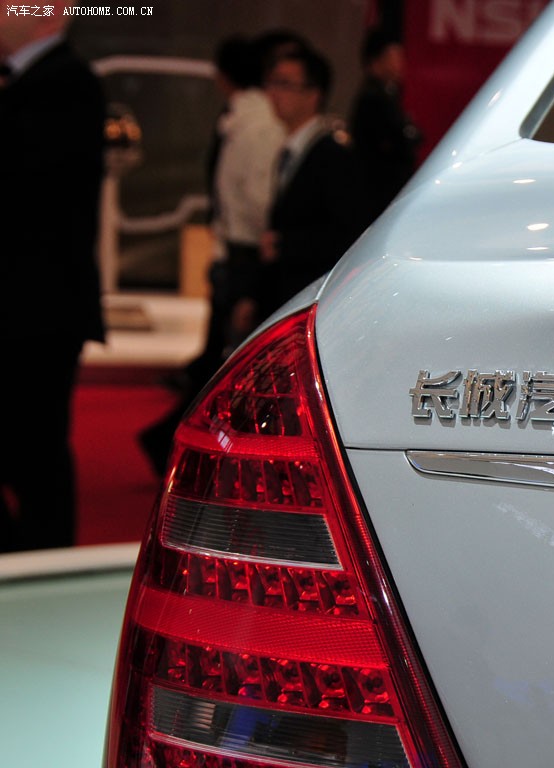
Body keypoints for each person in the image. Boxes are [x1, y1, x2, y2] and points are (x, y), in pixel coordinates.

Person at [140, 35, 287, 476]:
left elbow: (244, 196)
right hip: (243, 252)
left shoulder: (246, 120)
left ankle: (174, 445)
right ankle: (179, 447)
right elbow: (256, 197)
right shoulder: (254, 120)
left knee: (222, 364)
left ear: (223, 76)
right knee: (228, 365)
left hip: (239, 251)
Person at [0, 4, 106, 551]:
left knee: (36, 450)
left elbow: (27, 189)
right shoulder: (35, 81)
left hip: (36, 309)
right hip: (26, 304)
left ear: (49, 14)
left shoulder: (67, 83)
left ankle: (41, 564)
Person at [241, 45, 360, 327]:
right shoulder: (294, 149)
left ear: (313, 94)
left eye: (285, 84)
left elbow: (346, 234)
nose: (274, 93)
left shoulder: (331, 153)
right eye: (272, 83)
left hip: (311, 298)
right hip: (287, 292)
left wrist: (285, 245)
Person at [349, 26, 421, 232]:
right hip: (379, 193)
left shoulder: (388, 94)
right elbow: (401, 139)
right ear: (375, 62)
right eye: (393, 56)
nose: (400, 63)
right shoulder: (373, 98)